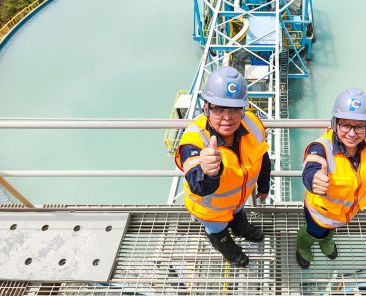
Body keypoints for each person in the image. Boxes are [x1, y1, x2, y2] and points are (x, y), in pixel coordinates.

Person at [175, 66, 271, 267]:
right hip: (211, 211)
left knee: (238, 216)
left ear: (243, 109)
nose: (227, 117)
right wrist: (209, 172)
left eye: (234, 109)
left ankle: (240, 228)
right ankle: (227, 248)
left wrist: (263, 186)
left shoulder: (252, 124)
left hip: (239, 199)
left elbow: (263, 157)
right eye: (219, 108)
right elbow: (198, 185)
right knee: (218, 232)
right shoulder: (194, 141)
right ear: (206, 108)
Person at [296, 88, 366, 269]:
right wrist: (314, 180)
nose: (352, 133)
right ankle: (303, 246)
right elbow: (311, 166)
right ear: (335, 124)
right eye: (345, 125)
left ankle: (326, 239)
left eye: (359, 126)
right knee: (315, 232)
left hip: (345, 213)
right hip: (320, 213)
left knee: (329, 231)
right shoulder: (321, 147)